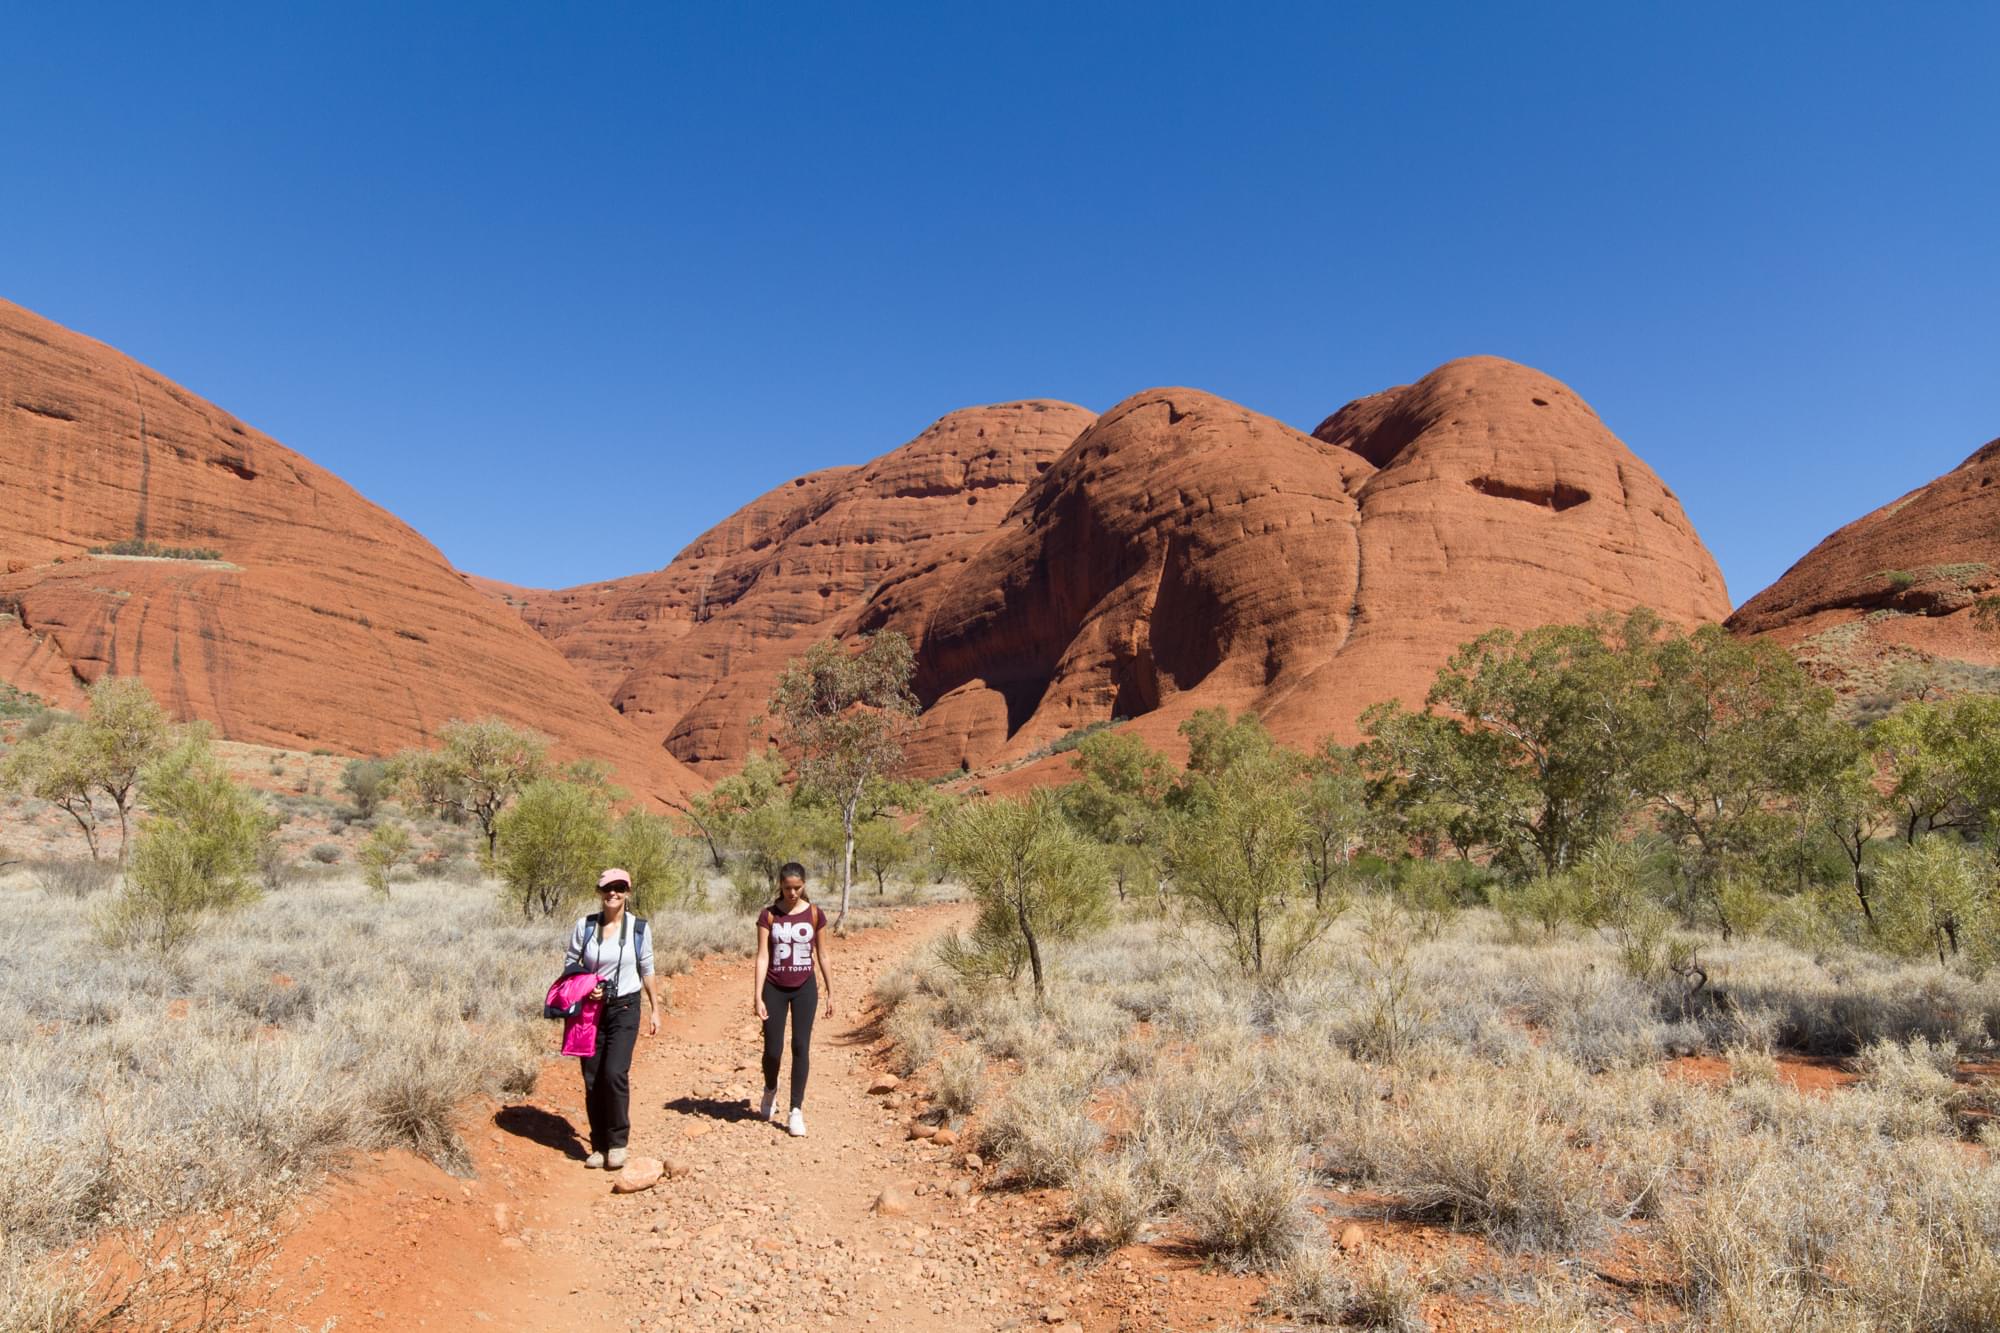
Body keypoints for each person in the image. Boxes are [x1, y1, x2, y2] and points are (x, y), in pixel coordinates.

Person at [562, 867, 663, 1168]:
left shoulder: (638, 928)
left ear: (628, 892)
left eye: (620, 888)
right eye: (608, 888)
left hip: (625, 1007)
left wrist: (655, 1008)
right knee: (592, 1076)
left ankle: (618, 1141)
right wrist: (586, 987)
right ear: (599, 891)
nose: (613, 894)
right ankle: (599, 1144)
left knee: (614, 1073)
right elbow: (571, 964)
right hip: (590, 1011)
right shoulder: (585, 926)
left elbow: (647, 968)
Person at [754, 862, 834, 1137]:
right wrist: (757, 995)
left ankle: (795, 1110)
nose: (792, 893)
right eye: (787, 888)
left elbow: (822, 954)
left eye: (797, 888)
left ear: (804, 885)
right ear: (780, 885)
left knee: (801, 1046)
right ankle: (770, 1089)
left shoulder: (814, 914)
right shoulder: (768, 915)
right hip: (774, 988)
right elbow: (762, 955)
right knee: (773, 1050)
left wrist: (830, 991)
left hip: (805, 987)